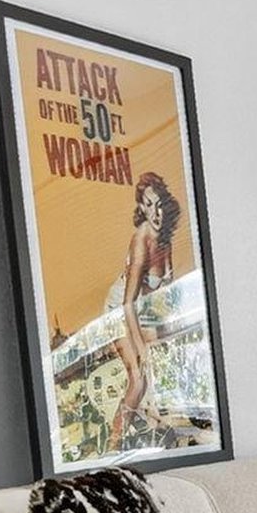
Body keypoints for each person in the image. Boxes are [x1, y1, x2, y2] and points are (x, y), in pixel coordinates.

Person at [109, 172, 181, 449]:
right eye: (148, 205)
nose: (156, 212)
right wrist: (140, 349)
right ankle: (112, 447)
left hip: (143, 310)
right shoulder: (141, 242)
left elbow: (167, 290)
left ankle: (150, 438)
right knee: (138, 380)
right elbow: (129, 304)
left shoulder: (165, 240)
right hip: (120, 310)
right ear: (141, 208)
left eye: (159, 203)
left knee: (161, 372)